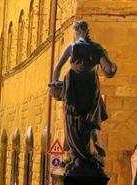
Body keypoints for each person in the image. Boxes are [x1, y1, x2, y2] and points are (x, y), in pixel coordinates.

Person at [50, 20, 117, 172]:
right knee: (90, 117)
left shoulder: (72, 47)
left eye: (75, 32)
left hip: (73, 86)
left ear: (78, 31)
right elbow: (109, 69)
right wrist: (113, 68)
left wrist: (54, 84)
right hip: (90, 86)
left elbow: (58, 67)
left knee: (72, 120)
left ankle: (77, 155)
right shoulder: (97, 48)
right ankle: (93, 143)